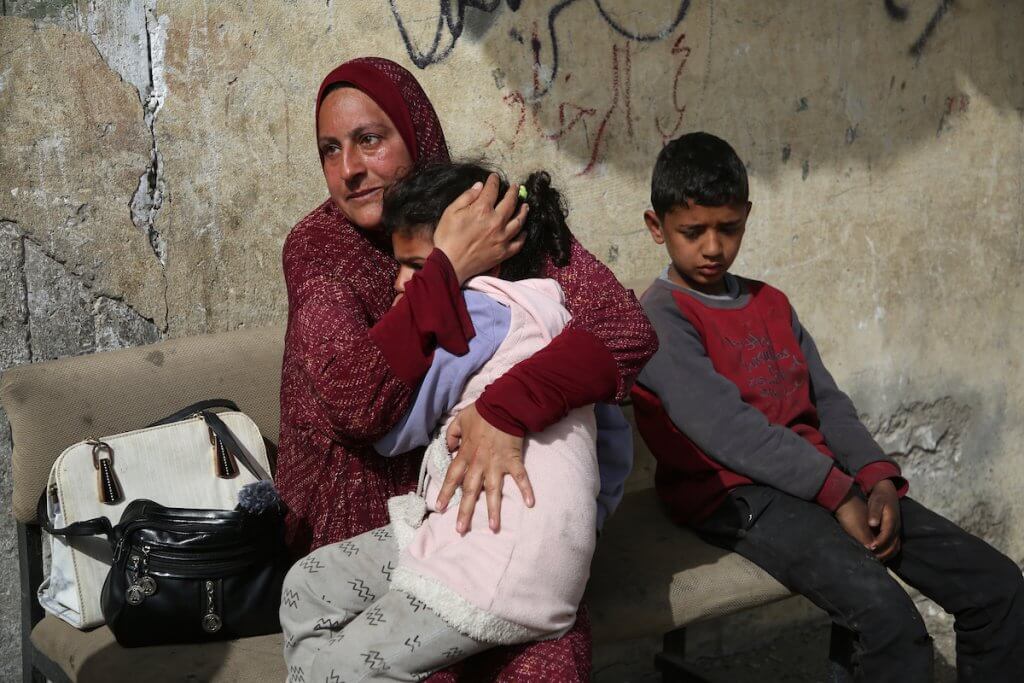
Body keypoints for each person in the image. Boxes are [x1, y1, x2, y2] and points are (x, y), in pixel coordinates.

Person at [276, 57, 656, 680]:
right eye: (329, 150)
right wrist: (447, 269)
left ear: (416, 134)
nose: (349, 170)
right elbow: (357, 402)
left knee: (546, 663)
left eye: (370, 139)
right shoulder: (319, 248)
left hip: (505, 515)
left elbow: (622, 331)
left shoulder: (491, 214)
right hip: (370, 519)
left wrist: (504, 410)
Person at [631, 131, 1024, 681]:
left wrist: (877, 477)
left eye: (729, 228)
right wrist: (839, 492)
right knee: (888, 623)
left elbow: (829, 405)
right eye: (692, 232)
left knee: (996, 585)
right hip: (736, 494)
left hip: (822, 483)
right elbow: (728, 431)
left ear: (747, 215)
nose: (714, 247)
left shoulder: (771, 303)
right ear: (657, 227)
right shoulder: (661, 318)